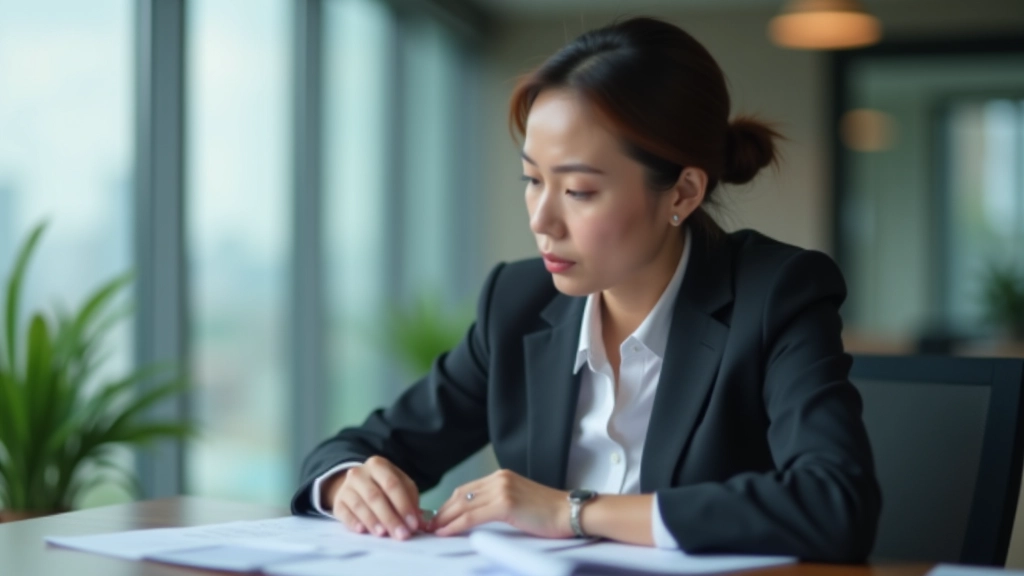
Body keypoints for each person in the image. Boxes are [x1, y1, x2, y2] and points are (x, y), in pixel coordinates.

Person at [292, 16, 881, 562]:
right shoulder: (518, 304)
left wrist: (570, 511)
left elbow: (834, 503)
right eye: (531, 180)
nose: (541, 220)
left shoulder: (775, 294)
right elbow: (362, 444)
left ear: (682, 193)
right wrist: (350, 480)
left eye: (578, 190)